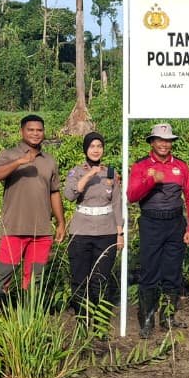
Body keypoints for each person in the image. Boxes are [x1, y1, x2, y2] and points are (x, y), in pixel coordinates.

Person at [127, 122, 189, 338]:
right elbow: (131, 196)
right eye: (160, 140)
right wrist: (150, 180)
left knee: (173, 272)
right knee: (150, 271)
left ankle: (168, 317)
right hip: (151, 223)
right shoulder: (140, 166)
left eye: (168, 140)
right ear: (152, 142)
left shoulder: (181, 166)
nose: (164, 144)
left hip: (175, 224)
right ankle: (147, 319)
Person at [0, 114, 66, 305]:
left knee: (34, 281)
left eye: (39, 130)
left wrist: (61, 223)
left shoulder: (49, 161)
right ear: (22, 131)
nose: (35, 134)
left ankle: (28, 323)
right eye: (30, 130)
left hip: (41, 232)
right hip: (13, 228)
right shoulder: (10, 154)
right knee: (2, 278)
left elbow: (54, 192)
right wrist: (19, 162)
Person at [63, 131, 123, 321]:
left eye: (99, 146)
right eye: (92, 146)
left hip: (106, 232)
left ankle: (98, 320)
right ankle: (82, 318)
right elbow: (70, 195)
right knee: (80, 277)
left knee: (100, 278)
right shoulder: (76, 171)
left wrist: (119, 233)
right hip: (81, 232)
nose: (96, 150)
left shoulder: (111, 172)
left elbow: (117, 203)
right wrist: (90, 174)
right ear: (85, 149)